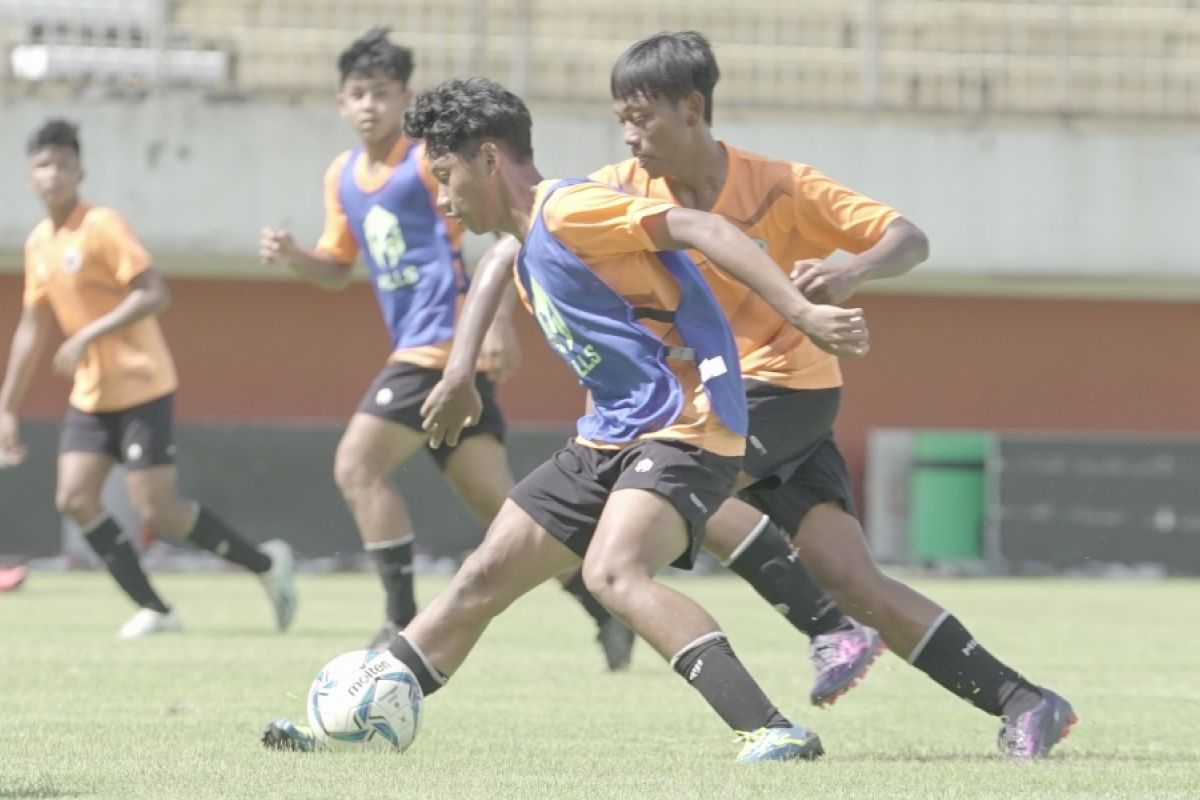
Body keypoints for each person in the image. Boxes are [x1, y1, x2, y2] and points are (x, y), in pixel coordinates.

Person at [262, 76, 869, 761]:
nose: (440, 197)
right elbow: (498, 265)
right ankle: (340, 728)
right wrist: (459, 374)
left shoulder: (571, 209)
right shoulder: (524, 237)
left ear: (488, 160)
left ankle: (772, 729)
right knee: (483, 574)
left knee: (614, 572)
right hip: (613, 433)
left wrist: (803, 312)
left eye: (444, 175)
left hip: (687, 422)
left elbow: (702, 226)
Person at [594, 31, 1076, 758]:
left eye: (642, 117)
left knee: (674, 484)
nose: (630, 136)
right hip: (727, 399)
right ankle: (1027, 702)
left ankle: (824, 631)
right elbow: (544, 230)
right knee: (855, 579)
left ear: (692, 108)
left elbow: (908, 237)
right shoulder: (622, 188)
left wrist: (853, 272)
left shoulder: (780, 184)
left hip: (791, 391)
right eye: (621, 119)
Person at [259, 28, 628, 662]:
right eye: (356, 94)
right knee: (508, 512)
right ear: (341, 104)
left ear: (404, 97)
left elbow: (499, 231)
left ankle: (399, 619)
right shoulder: (342, 176)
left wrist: (502, 321)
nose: (369, 105)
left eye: (381, 93)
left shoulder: (427, 161)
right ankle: (604, 610)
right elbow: (337, 266)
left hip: (440, 348)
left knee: (356, 465)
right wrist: (296, 256)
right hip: (437, 357)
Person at [0, 120, 296, 638]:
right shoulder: (39, 244)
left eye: (64, 164)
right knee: (73, 497)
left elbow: (154, 292)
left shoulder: (102, 226)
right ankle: (157, 609)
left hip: (142, 386)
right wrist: (7, 406)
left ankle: (267, 566)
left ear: (80, 171)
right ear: (29, 176)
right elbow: (30, 328)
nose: (54, 174)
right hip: (92, 395)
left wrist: (90, 333)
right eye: (44, 165)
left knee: (159, 510)